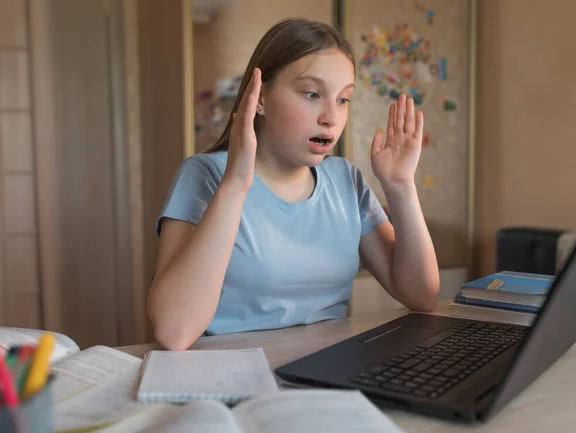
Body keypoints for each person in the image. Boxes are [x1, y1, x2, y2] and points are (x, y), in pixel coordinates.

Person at [147, 18, 440, 351]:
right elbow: (173, 332)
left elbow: (422, 296)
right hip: (232, 380)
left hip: (326, 378)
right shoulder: (204, 176)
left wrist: (401, 186)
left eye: (343, 99)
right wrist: (236, 184)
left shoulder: (347, 180)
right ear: (259, 99)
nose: (331, 117)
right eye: (312, 94)